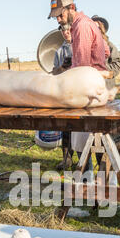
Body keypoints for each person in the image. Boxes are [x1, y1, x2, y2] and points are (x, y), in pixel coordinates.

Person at [48, 0, 109, 178]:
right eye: (56, 16)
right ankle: (100, 182)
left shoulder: (81, 26)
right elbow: (105, 50)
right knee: (94, 138)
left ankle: (90, 182)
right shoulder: (83, 24)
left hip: (87, 90)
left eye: (61, 14)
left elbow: (82, 67)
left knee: (85, 141)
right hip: (93, 85)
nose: (58, 19)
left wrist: (70, 69)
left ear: (71, 8)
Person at [52, 25, 73, 170]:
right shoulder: (59, 52)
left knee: (82, 129)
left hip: (80, 91)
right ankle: (67, 159)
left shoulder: (80, 46)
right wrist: (62, 68)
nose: (66, 33)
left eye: (68, 30)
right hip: (65, 92)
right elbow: (54, 72)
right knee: (66, 127)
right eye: (63, 31)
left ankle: (86, 161)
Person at [91, 15, 120, 89]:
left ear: (102, 29)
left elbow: (117, 65)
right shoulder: (86, 46)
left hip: (107, 86)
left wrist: (101, 68)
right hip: (91, 87)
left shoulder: (110, 46)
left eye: (97, 28)